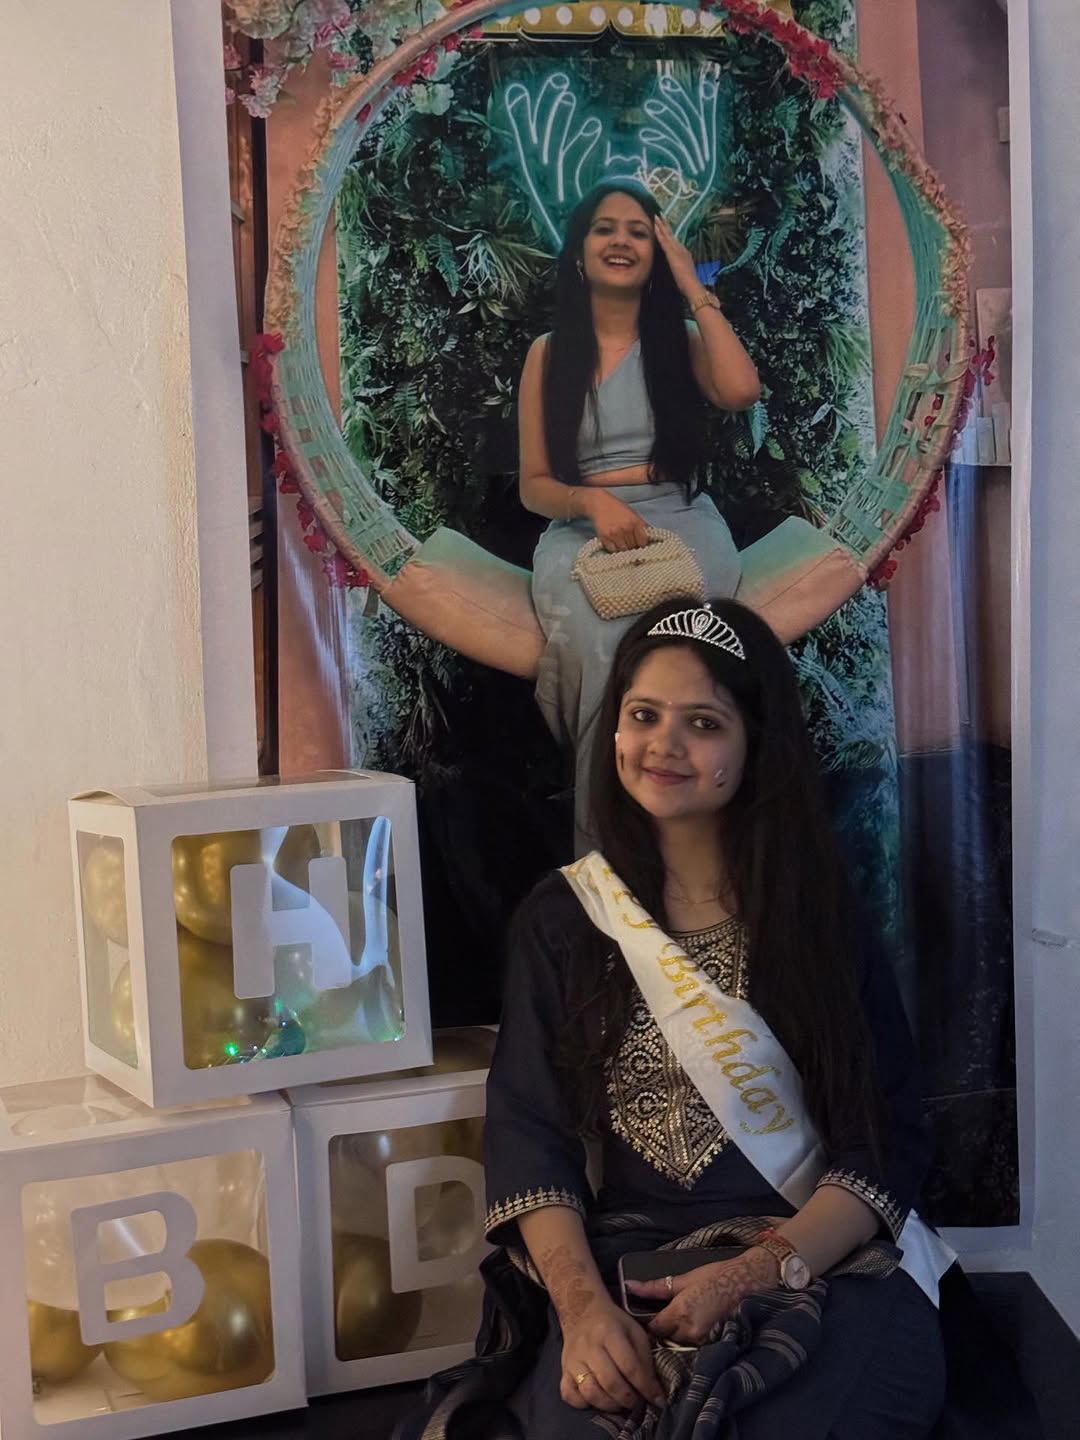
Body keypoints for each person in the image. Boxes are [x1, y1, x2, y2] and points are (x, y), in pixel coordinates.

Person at [400, 596, 961, 1440]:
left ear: (755, 746)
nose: (663, 744)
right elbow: (529, 1135)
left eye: (703, 722)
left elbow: (882, 1140)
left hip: (817, 1258)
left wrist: (751, 1274)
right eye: (644, 715)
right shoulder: (565, 919)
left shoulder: (816, 914)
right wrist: (583, 1311)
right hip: (631, 1265)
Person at [519, 183, 761, 845]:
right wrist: (589, 501)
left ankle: (690, 837)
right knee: (600, 639)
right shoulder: (548, 353)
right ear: (579, 251)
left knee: (676, 644)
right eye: (605, 229)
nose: (621, 241)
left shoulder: (681, 340)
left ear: (658, 252)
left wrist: (691, 283)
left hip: (680, 518)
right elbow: (534, 486)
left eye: (638, 231)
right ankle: (609, 842)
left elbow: (742, 390)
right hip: (579, 526)